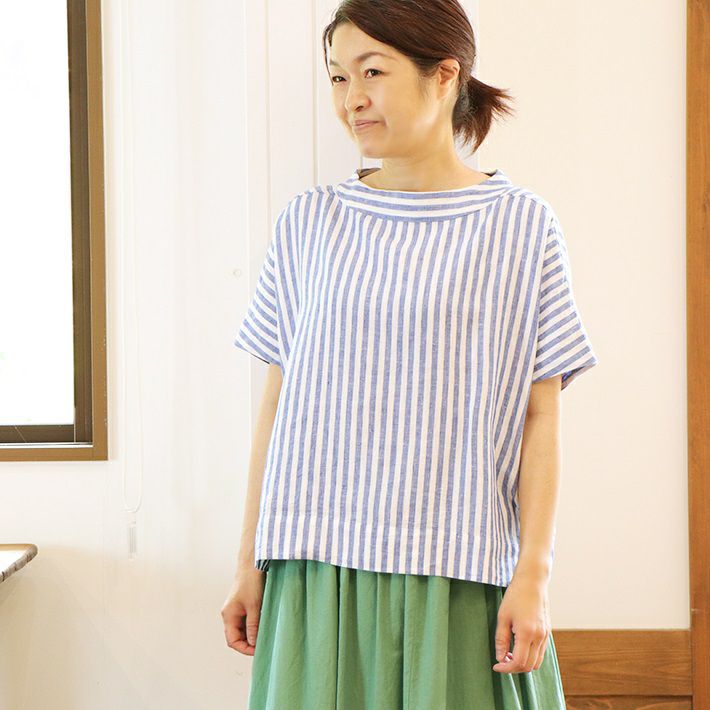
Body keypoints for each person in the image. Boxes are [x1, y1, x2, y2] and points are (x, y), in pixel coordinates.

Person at [222, 0, 599, 707]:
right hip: (315, 565)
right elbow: (278, 403)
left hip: (456, 564)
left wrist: (534, 573)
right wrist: (249, 560)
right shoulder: (309, 222)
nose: (351, 99)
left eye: (372, 72)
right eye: (338, 77)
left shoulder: (521, 227)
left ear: (445, 75)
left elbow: (539, 418)